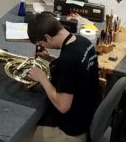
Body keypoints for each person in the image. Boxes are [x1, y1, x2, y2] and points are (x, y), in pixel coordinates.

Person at [25, 12, 99, 142]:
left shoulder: (68, 60)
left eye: (42, 43)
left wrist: (42, 78)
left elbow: (63, 106)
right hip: (86, 114)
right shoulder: (83, 41)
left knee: (21, 135)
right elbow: (78, 68)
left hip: (70, 131)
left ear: (47, 37)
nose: (44, 46)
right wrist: (50, 58)